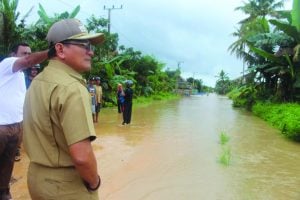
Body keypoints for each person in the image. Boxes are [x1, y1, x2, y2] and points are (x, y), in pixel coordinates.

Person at [23, 18, 104, 200]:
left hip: (36, 179)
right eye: (85, 45)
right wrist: (94, 182)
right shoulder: (72, 88)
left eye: (91, 46)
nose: (91, 52)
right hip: (66, 187)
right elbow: (82, 157)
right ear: (60, 49)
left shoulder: (36, 82)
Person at [0, 43, 48, 200]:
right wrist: (53, 51)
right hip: (2, 125)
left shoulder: (20, 75)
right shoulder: (7, 64)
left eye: (29, 53)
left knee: (8, 163)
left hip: (17, 125)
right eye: (24, 53)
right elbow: (28, 62)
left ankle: (3, 192)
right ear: (13, 53)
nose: (27, 56)